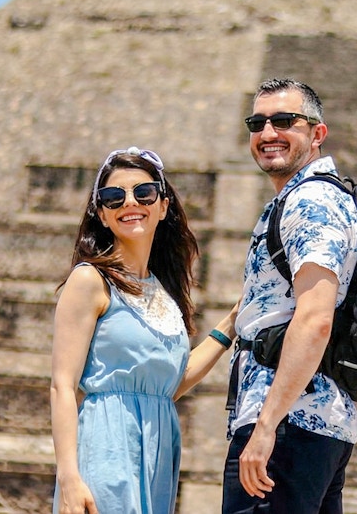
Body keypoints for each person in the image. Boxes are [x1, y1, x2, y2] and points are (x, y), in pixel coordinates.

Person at [50, 146, 237, 514]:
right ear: (102, 215)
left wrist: (229, 326)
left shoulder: (165, 293)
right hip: (107, 445)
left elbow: (171, 384)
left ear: (163, 206)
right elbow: (62, 385)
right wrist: (69, 477)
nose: (129, 202)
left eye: (144, 192)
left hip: (157, 448)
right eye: (113, 197)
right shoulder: (90, 280)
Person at [222, 78, 357, 514]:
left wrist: (266, 426)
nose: (268, 133)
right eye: (257, 122)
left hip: (287, 424)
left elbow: (316, 316)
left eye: (285, 121)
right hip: (313, 424)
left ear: (317, 133)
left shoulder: (311, 203)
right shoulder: (305, 198)